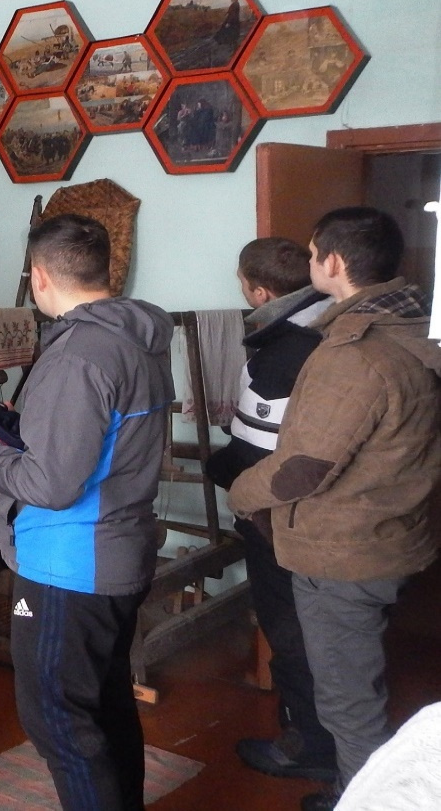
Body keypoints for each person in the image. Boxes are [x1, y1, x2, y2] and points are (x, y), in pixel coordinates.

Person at [0, 214, 174, 811]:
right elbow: (98, 444)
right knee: (105, 704)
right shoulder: (139, 339)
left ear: (39, 276)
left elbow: (50, 485)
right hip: (121, 549)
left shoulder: (78, 354)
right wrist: (20, 427)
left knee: (59, 722)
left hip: (71, 564)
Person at [230, 207, 441, 811]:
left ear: (335, 262)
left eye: (313, 251)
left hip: (344, 549)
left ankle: (361, 797)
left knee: (349, 700)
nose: (309, 261)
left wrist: (241, 492)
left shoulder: (355, 353)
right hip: (389, 531)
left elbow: (303, 467)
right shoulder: (414, 327)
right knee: (354, 679)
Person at [206, 238, 336, 782]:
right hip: (315, 516)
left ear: (259, 292)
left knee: (292, 629)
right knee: (317, 628)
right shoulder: (329, 324)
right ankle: (315, 729)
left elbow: (261, 454)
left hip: (280, 518)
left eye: (242, 283)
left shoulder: (284, 350)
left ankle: (309, 744)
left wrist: (222, 470)